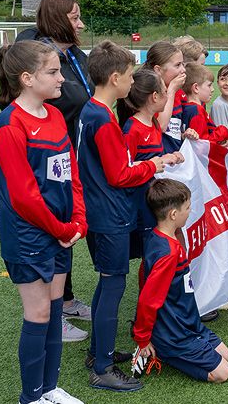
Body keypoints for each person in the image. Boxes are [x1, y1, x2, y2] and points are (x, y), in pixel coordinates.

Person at [0, 40, 86, 404]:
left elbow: (71, 172)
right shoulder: (10, 124)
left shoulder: (56, 115)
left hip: (62, 232)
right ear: (27, 78)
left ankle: (50, 389)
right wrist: (63, 230)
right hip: (29, 235)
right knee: (40, 312)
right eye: (53, 72)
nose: (62, 78)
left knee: (55, 309)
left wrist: (78, 219)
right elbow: (24, 196)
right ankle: (31, 397)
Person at [77, 40, 161, 391]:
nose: (132, 83)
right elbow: (120, 175)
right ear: (115, 78)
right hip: (109, 216)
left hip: (99, 212)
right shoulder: (104, 120)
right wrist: (153, 164)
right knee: (113, 286)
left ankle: (100, 351)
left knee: (106, 284)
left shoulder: (90, 111)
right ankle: (103, 368)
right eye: (128, 75)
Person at [16, 0, 93, 342]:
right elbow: (75, 97)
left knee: (67, 227)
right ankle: (49, 314)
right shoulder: (32, 47)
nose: (80, 24)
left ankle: (65, 300)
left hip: (68, 153)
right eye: (74, 17)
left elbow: (86, 94)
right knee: (47, 230)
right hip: (40, 156)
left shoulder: (75, 54)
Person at [132, 179, 228, 383]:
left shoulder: (159, 238)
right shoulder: (167, 253)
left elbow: (143, 276)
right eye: (187, 207)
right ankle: (162, 352)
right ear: (173, 214)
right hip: (173, 331)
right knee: (222, 373)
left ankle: (170, 347)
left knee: (225, 355)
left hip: (188, 321)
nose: (190, 211)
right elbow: (148, 300)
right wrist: (143, 339)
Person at [120, 68, 184, 283]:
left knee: (163, 245)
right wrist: (157, 162)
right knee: (150, 252)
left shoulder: (154, 122)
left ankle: (165, 291)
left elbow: (155, 158)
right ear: (155, 97)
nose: (169, 96)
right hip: (141, 201)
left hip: (156, 197)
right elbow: (125, 167)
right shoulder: (132, 128)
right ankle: (148, 297)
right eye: (166, 91)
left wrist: (169, 156)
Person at [127, 42, 186, 153]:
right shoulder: (147, 92)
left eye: (183, 64)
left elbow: (175, 128)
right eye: (177, 65)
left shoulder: (177, 91)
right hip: (156, 161)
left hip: (173, 159)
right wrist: (171, 90)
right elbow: (161, 126)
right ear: (158, 70)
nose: (183, 70)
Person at [181, 62, 228, 145]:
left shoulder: (187, 107)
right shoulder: (196, 110)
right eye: (209, 85)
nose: (212, 89)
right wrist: (222, 132)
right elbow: (201, 144)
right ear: (196, 88)